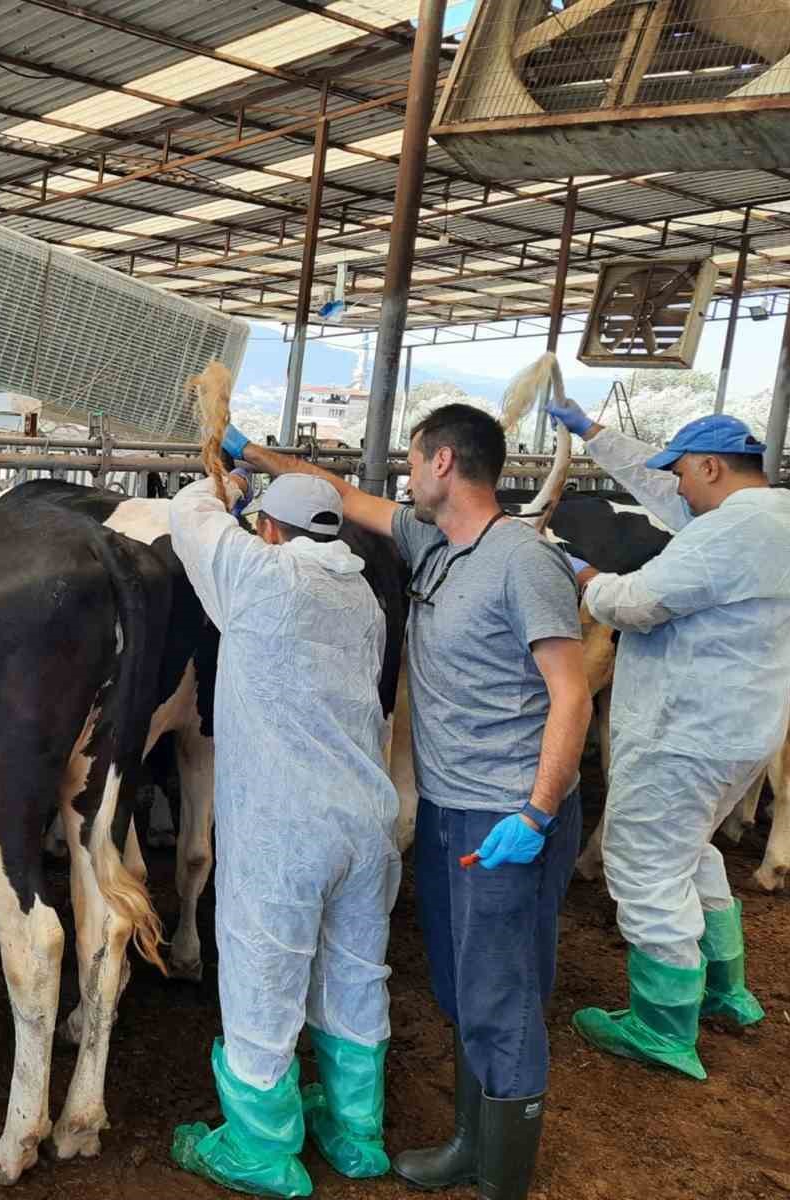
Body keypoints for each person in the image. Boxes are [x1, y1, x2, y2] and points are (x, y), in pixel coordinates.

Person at [223, 404, 592, 1200]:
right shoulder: (437, 546)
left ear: (445, 463)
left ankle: (503, 1179)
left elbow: (573, 693)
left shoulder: (522, 560)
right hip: (449, 805)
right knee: (462, 987)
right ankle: (469, 1143)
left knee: (502, 991)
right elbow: (338, 494)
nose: (406, 476)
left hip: (507, 812)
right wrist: (244, 449)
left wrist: (536, 813)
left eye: (414, 461)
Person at [545, 401, 790, 1079]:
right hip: (738, 731)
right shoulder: (782, 518)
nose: (679, 490)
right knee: (690, 852)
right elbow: (665, 490)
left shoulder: (728, 536)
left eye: (685, 476)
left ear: (712, 466)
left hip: (684, 732)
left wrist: (582, 574)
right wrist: (589, 431)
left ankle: (662, 1026)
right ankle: (726, 989)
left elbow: (635, 603)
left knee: (642, 867)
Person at [167, 468, 402, 1198]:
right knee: (355, 972)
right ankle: (356, 1133)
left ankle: (261, 1150)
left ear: (269, 528)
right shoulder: (363, 597)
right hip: (367, 819)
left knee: (262, 974)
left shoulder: (256, 574)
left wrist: (222, 486)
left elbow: (185, 516)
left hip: (284, 827)